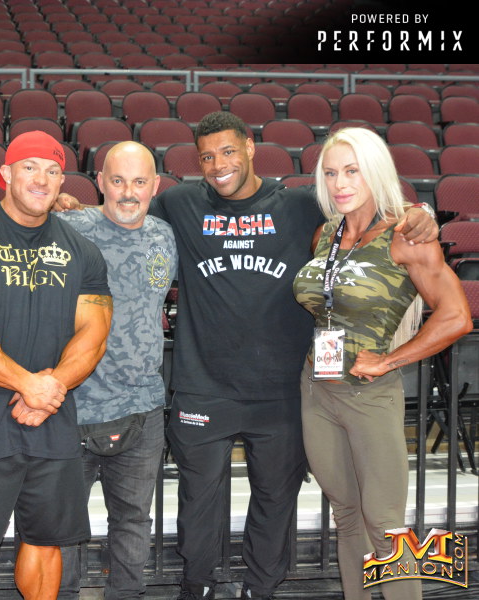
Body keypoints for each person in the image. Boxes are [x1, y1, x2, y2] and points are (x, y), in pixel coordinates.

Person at [141, 112, 439, 600]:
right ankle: (197, 586)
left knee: (286, 502)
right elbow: (124, 211)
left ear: (250, 147)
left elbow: (368, 208)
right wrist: (70, 204)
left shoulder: (301, 205)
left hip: (288, 388)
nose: (218, 164)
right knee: (202, 501)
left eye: (228, 151)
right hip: (204, 385)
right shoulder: (180, 202)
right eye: (207, 157)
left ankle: (261, 589)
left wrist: (418, 210)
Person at [0, 141, 177, 599]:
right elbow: (22, 213)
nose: (128, 192)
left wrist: (45, 388)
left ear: (155, 186)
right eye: (117, 181)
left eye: (139, 182)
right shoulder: (73, 226)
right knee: (56, 533)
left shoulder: (164, 235)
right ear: (100, 183)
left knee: (133, 521)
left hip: (140, 403)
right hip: (73, 405)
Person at [0, 130, 113, 600]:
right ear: (6, 174)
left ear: (63, 180)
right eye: (29, 167)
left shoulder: (83, 251)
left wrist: (51, 388)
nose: (41, 179)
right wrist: (29, 384)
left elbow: (93, 335)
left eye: (52, 170)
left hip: (51, 415)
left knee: (46, 543)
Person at [293, 128, 471, 600]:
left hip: (370, 395)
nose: (340, 183)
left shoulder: (406, 235)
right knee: (346, 515)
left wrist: (391, 359)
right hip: (317, 390)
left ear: (375, 172)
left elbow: (456, 316)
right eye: (331, 173)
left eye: (352, 171)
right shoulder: (326, 234)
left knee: (386, 523)